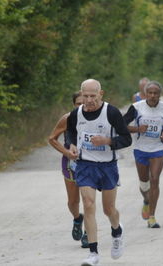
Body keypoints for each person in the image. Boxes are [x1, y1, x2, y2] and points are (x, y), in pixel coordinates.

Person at [66, 79, 132, 266]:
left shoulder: (111, 112)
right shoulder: (76, 113)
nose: (89, 100)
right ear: (81, 94)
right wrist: (71, 144)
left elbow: (127, 139)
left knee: (108, 209)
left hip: (107, 166)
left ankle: (117, 230)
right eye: (85, 96)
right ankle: (93, 254)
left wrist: (107, 141)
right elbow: (70, 132)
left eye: (92, 96)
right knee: (87, 204)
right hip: (85, 165)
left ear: (100, 94)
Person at [123, 81, 163, 228]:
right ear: (145, 94)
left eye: (156, 93)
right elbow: (122, 125)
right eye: (150, 93)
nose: (153, 96)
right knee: (144, 182)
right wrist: (137, 129)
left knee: (155, 180)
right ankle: (147, 200)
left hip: (157, 148)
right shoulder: (136, 107)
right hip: (141, 149)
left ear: (160, 94)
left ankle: (152, 216)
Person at [48, 91, 88, 248]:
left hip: (90, 162)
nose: (82, 106)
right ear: (74, 105)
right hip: (71, 162)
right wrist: (67, 153)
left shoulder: (97, 117)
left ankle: (88, 233)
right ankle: (77, 218)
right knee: (73, 201)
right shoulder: (67, 118)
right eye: (78, 104)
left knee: (88, 200)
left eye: (84, 103)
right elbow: (52, 139)